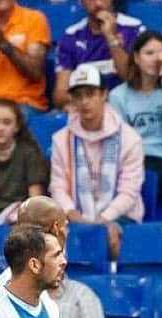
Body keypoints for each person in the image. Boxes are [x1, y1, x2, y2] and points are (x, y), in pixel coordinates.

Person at [49, 65, 145, 260]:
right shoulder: (61, 139)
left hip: (121, 216)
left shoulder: (129, 138)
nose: (84, 102)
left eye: (90, 94)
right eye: (78, 96)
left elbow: (129, 192)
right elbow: (58, 187)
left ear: (104, 95)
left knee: (109, 237)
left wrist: (102, 221)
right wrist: (73, 215)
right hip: (75, 216)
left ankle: (115, 285)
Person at [110, 31, 162, 201]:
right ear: (136, 58)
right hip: (135, 159)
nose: (155, 59)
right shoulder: (119, 95)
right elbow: (118, 139)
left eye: (160, 54)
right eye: (149, 53)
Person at [52, 0, 143, 109]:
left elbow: (133, 79)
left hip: (127, 106)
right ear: (81, 2)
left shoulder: (134, 28)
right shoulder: (70, 36)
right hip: (88, 109)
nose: (98, 3)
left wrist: (110, 37)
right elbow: (60, 95)